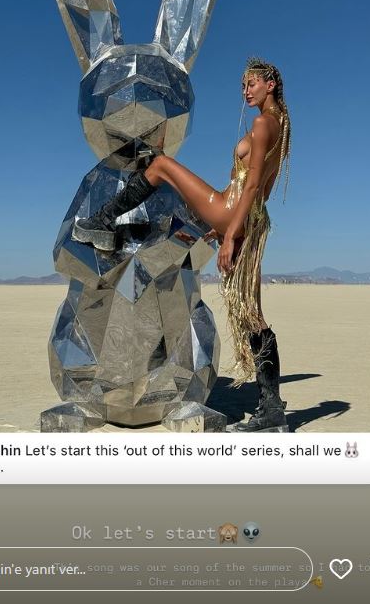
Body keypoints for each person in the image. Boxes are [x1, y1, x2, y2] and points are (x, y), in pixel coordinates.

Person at [72, 56, 291, 432]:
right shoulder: (282, 125)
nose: (246, 91)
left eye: (252, 84)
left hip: (233, 211)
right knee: (251, 313)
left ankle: (101, 221)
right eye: (243, 86)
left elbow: (254, 184)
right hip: (250, 218)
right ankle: (271, 408)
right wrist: (237, 227)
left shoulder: (261, 123)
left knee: (159, 165)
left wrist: (230, 232)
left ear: (270, 84)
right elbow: (264, 190)